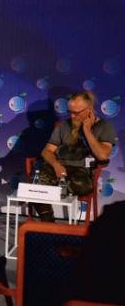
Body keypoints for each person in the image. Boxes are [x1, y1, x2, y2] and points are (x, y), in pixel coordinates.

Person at [33, 91, 116, 222]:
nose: (72, 116)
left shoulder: (104, 126)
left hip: (82, 174)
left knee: (78, 185)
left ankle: (50, 192)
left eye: (76, 113)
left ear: (89, 110)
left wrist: (87, 130)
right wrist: (56, 165)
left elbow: (102, 155)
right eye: (70, 112)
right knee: (36, 183)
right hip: (59, 169)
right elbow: (46, 151)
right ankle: (47, 221)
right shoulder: (64, 125)